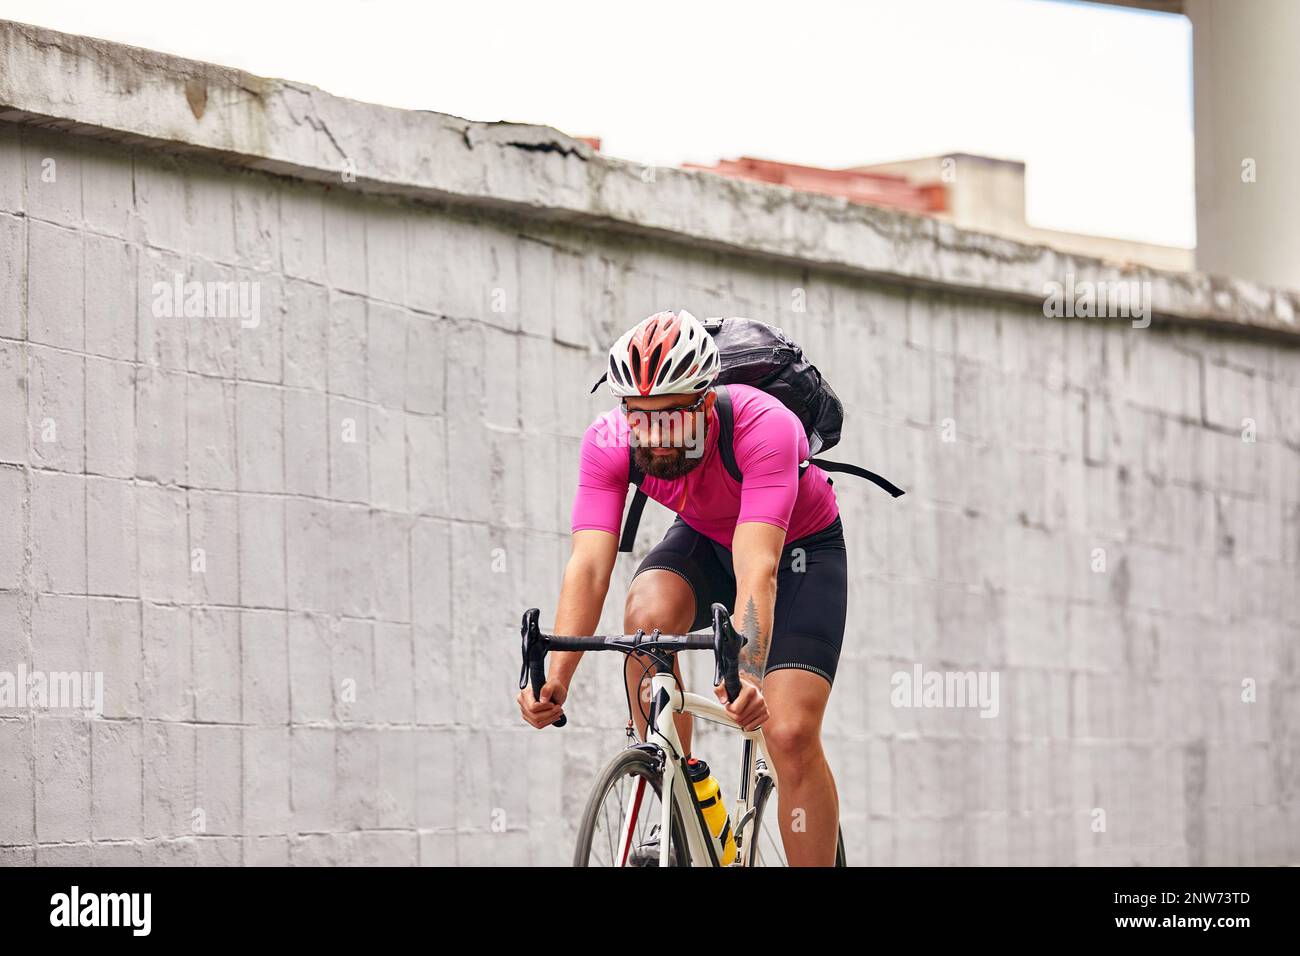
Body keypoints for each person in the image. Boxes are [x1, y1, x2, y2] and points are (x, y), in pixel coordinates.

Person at [517, 308, 849, 866]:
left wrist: (746, 672)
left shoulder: (764, 426)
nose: (651, 435)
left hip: (796, 554)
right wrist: (556, 677)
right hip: (703, 536)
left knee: (788, 734)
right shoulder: (609, 441)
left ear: (703, 403)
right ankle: (678, 788)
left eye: (668, 418)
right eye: (637, 417)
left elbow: (758, 566)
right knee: (646, 616)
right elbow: (591, 566)